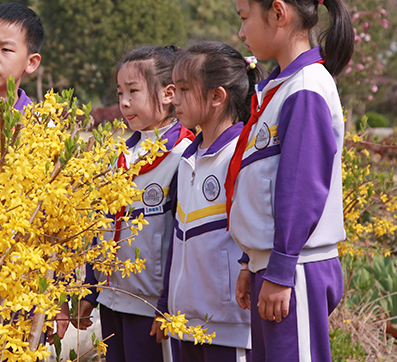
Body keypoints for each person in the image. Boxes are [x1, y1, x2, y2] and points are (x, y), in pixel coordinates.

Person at [227, 0, 354, 362]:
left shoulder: (306, 88)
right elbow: (261, 187)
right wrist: (250, 262)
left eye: (244, 17)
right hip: (276, 266)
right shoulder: (280, 88)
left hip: (295, 268)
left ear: (277, 13)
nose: (241, 31)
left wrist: (280, 270)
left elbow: (301, 188)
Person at [77, 45, 194, 362]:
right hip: (112, 300)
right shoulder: (120, 155)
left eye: (133, 91)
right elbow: (102, 224)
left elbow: (183, 242)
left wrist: (168, 303)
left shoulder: (183, 155)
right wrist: (92, 287)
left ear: (168, 94)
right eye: (119, 93)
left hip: (154, 306)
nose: (124, 102)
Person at [150, 42, 264, 362]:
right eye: (174, 88)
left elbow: (255, 229)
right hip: (185, 322)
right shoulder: (188, 157)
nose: (175, 98)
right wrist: (166, 304)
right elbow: (177, 242)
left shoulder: (240, 154)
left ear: (217, 96)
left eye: (184, 89)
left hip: (228, 324)